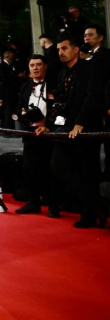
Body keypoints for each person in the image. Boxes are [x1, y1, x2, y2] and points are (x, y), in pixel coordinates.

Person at [37, 37, 103, 228]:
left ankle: (90, 213)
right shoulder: (63, 73)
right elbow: (61, 102)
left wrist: (80, 123)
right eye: (58, 49)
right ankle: (97, 205)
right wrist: (49, 125)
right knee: (59, 166)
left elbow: (93, 97)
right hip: (65, 128)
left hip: (86, 128)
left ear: (76, 50)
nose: (60, 52)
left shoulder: (90, 69)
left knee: (87, 171)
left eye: (65, 48)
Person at [15, 55, 52, 214]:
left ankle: (53, 203)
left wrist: (48, 126)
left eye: (38, 64)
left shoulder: (54, 85)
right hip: (30, 133)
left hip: (50, 133)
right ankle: (33, 202)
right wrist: (23, 115)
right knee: (29, 168)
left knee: (50, 169)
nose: (35, 68)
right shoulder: (25, 87)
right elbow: (18, 107)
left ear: (45, 66)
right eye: (32, 65)